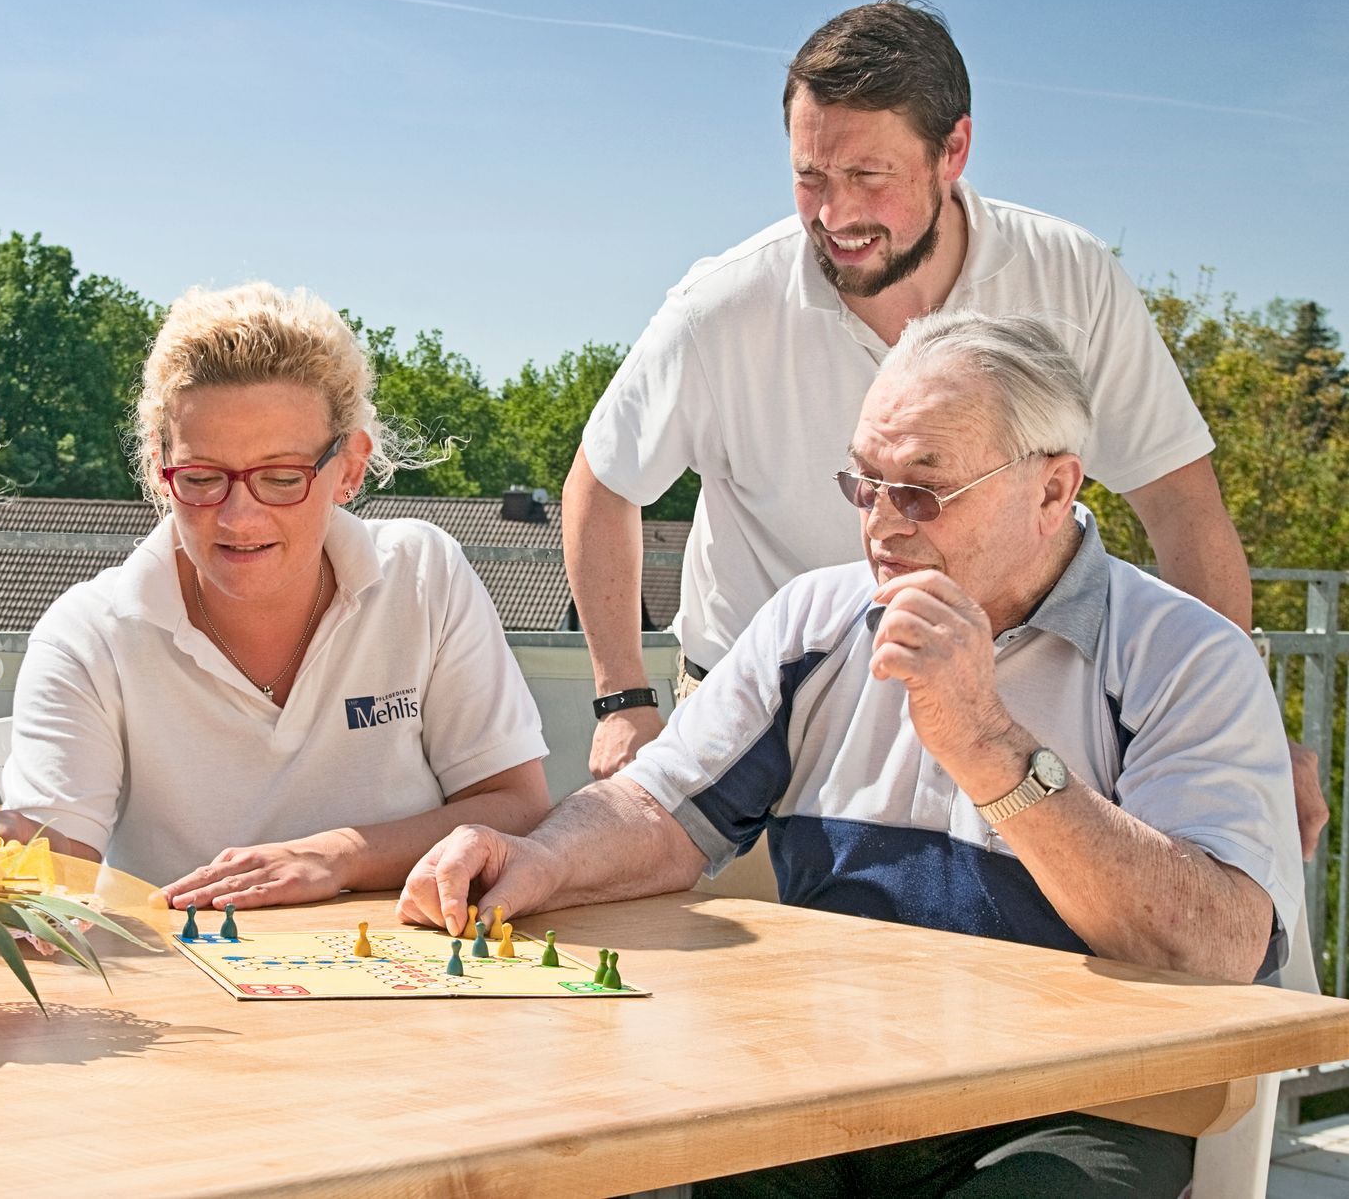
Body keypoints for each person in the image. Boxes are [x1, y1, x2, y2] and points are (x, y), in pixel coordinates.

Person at [401, 311, 1302, 1197]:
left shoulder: (1186, 657)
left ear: (1053, 490)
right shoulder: (814, 621)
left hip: (1072, 1111)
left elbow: (1218, 942)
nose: (881, 526)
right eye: (864, 484)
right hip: (823, 1087)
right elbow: (658, 808)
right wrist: (535, 858)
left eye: (923, 489)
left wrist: (990, 748)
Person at [564, 0, 1326, 855]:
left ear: (953, 151)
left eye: (869, 178)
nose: (834, 215)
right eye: (810, 177)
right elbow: (601, 484)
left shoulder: (1072, 280)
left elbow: (1183, 508)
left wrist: (1238, 726)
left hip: (1008, 709)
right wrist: (621, 698)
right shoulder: (722, 307)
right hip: (757, 724)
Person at [0, 282, 551, 909]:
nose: (239, 517)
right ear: (158, 467)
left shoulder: (424, 575)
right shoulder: (88, 634)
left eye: (282, 478)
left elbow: (516, 805)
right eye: (202, 478)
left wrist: (339, 855)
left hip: (404, 979)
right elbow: (45, 875)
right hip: (184, 991)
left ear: (350, 467)